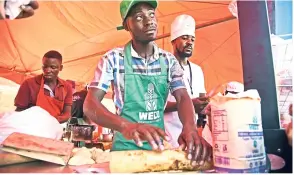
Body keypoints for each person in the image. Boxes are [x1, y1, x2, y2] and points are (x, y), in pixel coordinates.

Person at [83, 0, 211, 166]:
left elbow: (183, 97)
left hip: (159, 150)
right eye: (138, 17)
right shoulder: (113, 59)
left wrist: (190, 128)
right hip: (124, 151)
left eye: (151, 14)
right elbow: (90, 105)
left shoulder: (169, 61)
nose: (149, 20)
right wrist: (126, 126)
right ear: (126, 25)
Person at [164, 14, 209, 148]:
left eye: (192, 39)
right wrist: (188, 104)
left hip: (191, 139)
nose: (189, 42)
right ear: (173, 41)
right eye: (184, 38)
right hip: (168, 139)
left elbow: (201, 100)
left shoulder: (197, 70)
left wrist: (204, 106)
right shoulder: (162, 68)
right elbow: (153, 106)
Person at [14, 50, 73, 123]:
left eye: (53, 67)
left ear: (60, 68)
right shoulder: (29, 84)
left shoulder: (67, 87)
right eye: (45, 66)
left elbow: (67, 113)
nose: (48, 70)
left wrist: (52, 122)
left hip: (54, 127)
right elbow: (19, 111)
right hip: (30, 127)